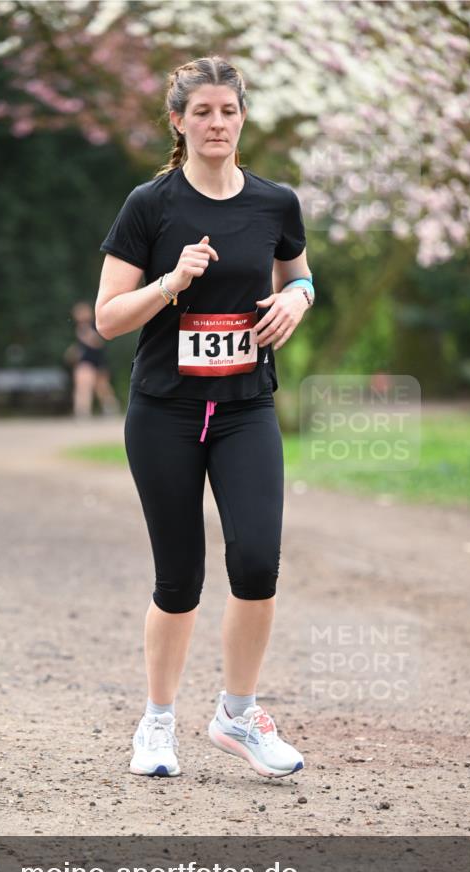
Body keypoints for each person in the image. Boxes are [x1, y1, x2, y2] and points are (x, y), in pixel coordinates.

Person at [96, 56, 315, 780]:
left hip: (245, 407)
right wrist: (171, 281)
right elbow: (106, 319)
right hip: (163, 411)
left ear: (242, 117)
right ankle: (157, 724)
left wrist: (298, 299)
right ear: (178, 122)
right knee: (179, 576)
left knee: (256, 561)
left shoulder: (274, 202)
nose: (216, 123)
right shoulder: (149, 205)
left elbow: (298, 270)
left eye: (227, 111)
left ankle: (236, 715)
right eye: (202, 113)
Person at [65, 301, 120, 418]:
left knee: (102, 388)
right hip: (85, 361)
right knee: (83, 385)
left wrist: (86, 335)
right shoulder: (79, 328)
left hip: (98, 360)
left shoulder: (96, 325)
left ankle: (110, 409)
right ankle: (82, 411)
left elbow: (99, 343)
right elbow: (81, 347)